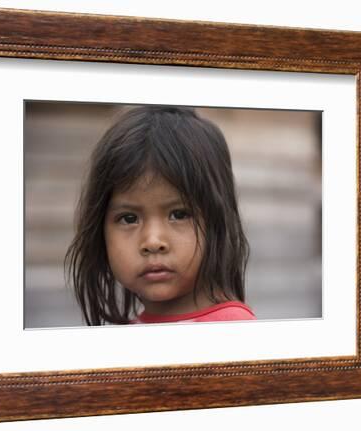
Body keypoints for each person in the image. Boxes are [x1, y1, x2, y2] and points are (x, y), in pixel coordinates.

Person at [64, 105, 255, 325]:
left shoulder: (232, 328)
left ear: (218, 222)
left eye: (179, 214)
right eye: (129, 218)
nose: (153, 241)